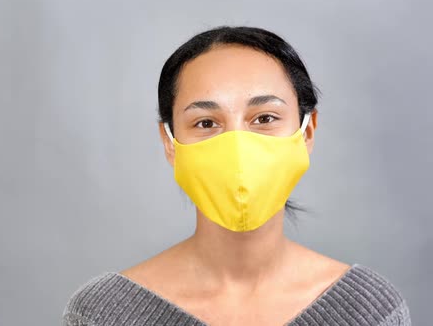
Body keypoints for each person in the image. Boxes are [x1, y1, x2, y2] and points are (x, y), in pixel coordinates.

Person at [61, 26, 411, 326]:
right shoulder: (102, 315)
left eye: (264, 118)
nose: (238, 147)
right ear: (170, 142)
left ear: (307, 132)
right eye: (206, 123)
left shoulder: (370, 312)